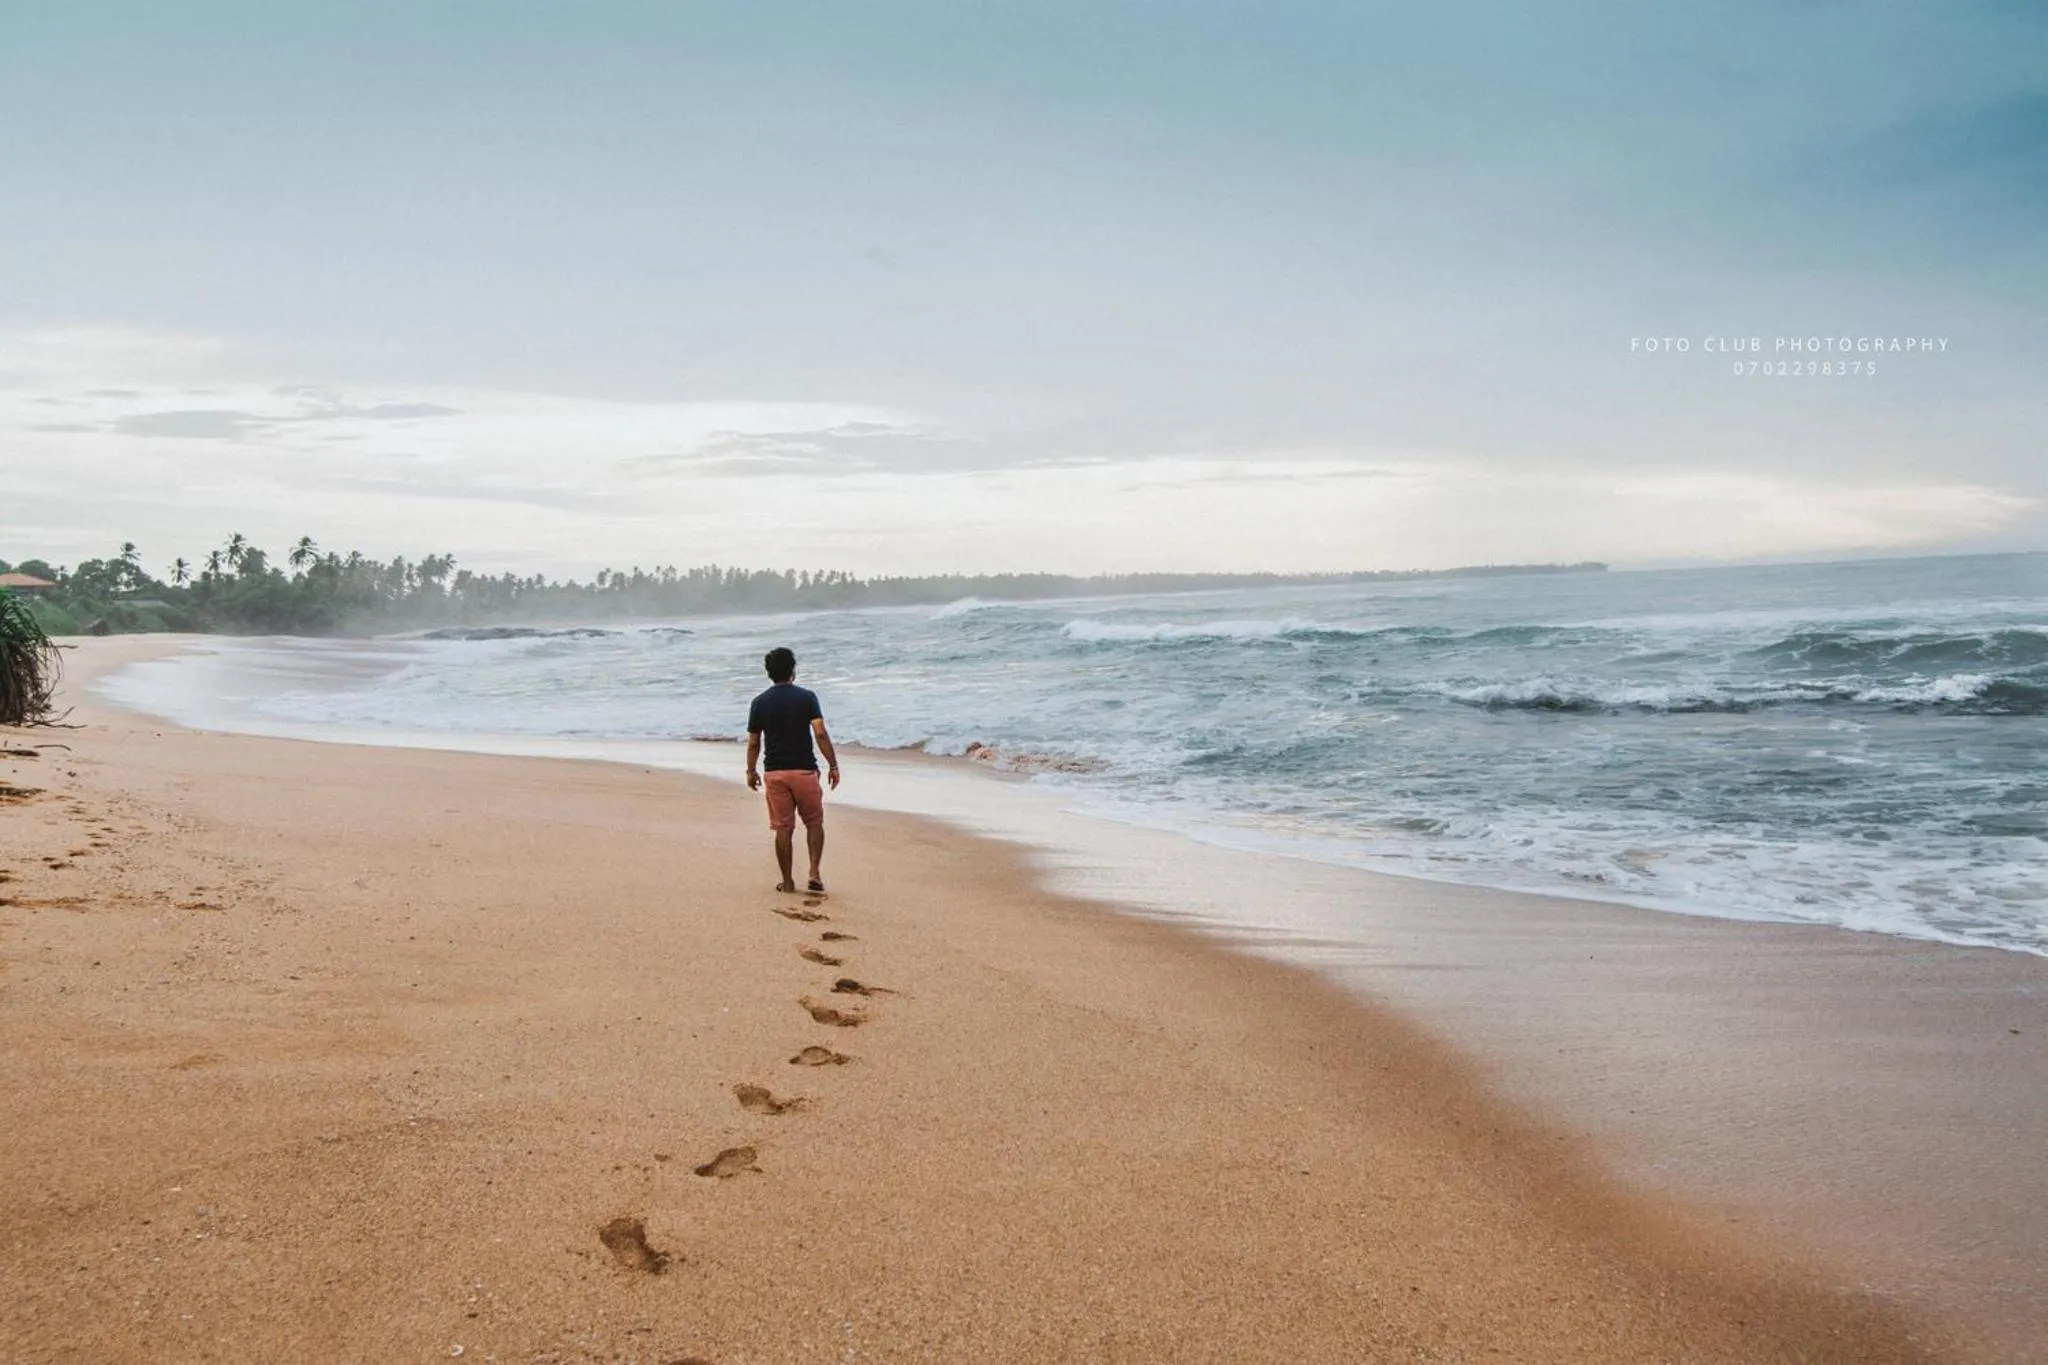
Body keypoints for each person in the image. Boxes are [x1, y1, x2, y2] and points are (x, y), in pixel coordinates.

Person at [745, 646, 841, 894]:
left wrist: (750, 770)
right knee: (814, 823)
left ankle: (787, 883)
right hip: (804, 772)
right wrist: (833, 764)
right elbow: (819, 732)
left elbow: (755, 741)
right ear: (793, 671)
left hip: (775, 773)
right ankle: (814, 873)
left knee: (783, 828)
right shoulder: (807, 697)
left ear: (769, 673)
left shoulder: (759, 703)